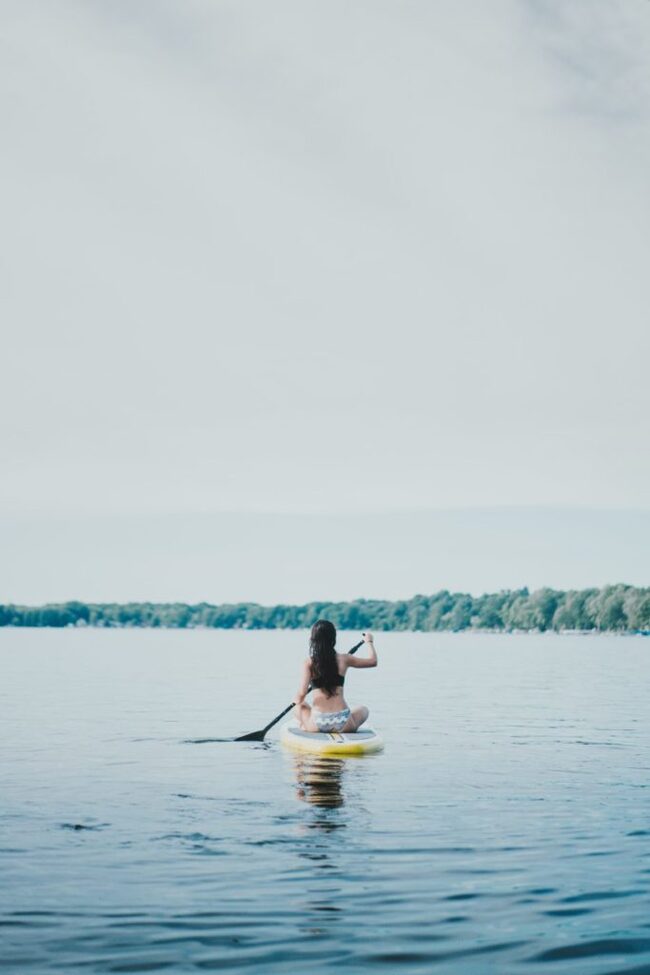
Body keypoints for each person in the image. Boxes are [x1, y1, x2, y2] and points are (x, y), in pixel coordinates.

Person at [293, 620, 377, 734]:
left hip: (318, 722)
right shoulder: (345, 659)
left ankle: (306, 725)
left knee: (298, 706)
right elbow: (373, 662)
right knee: (364, 710)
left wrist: (296, 700)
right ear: (333, 638)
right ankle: (348, 726)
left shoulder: (309, 662)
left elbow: (301, 696)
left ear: (313, 639)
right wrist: (369, 641)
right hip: (344, 722)